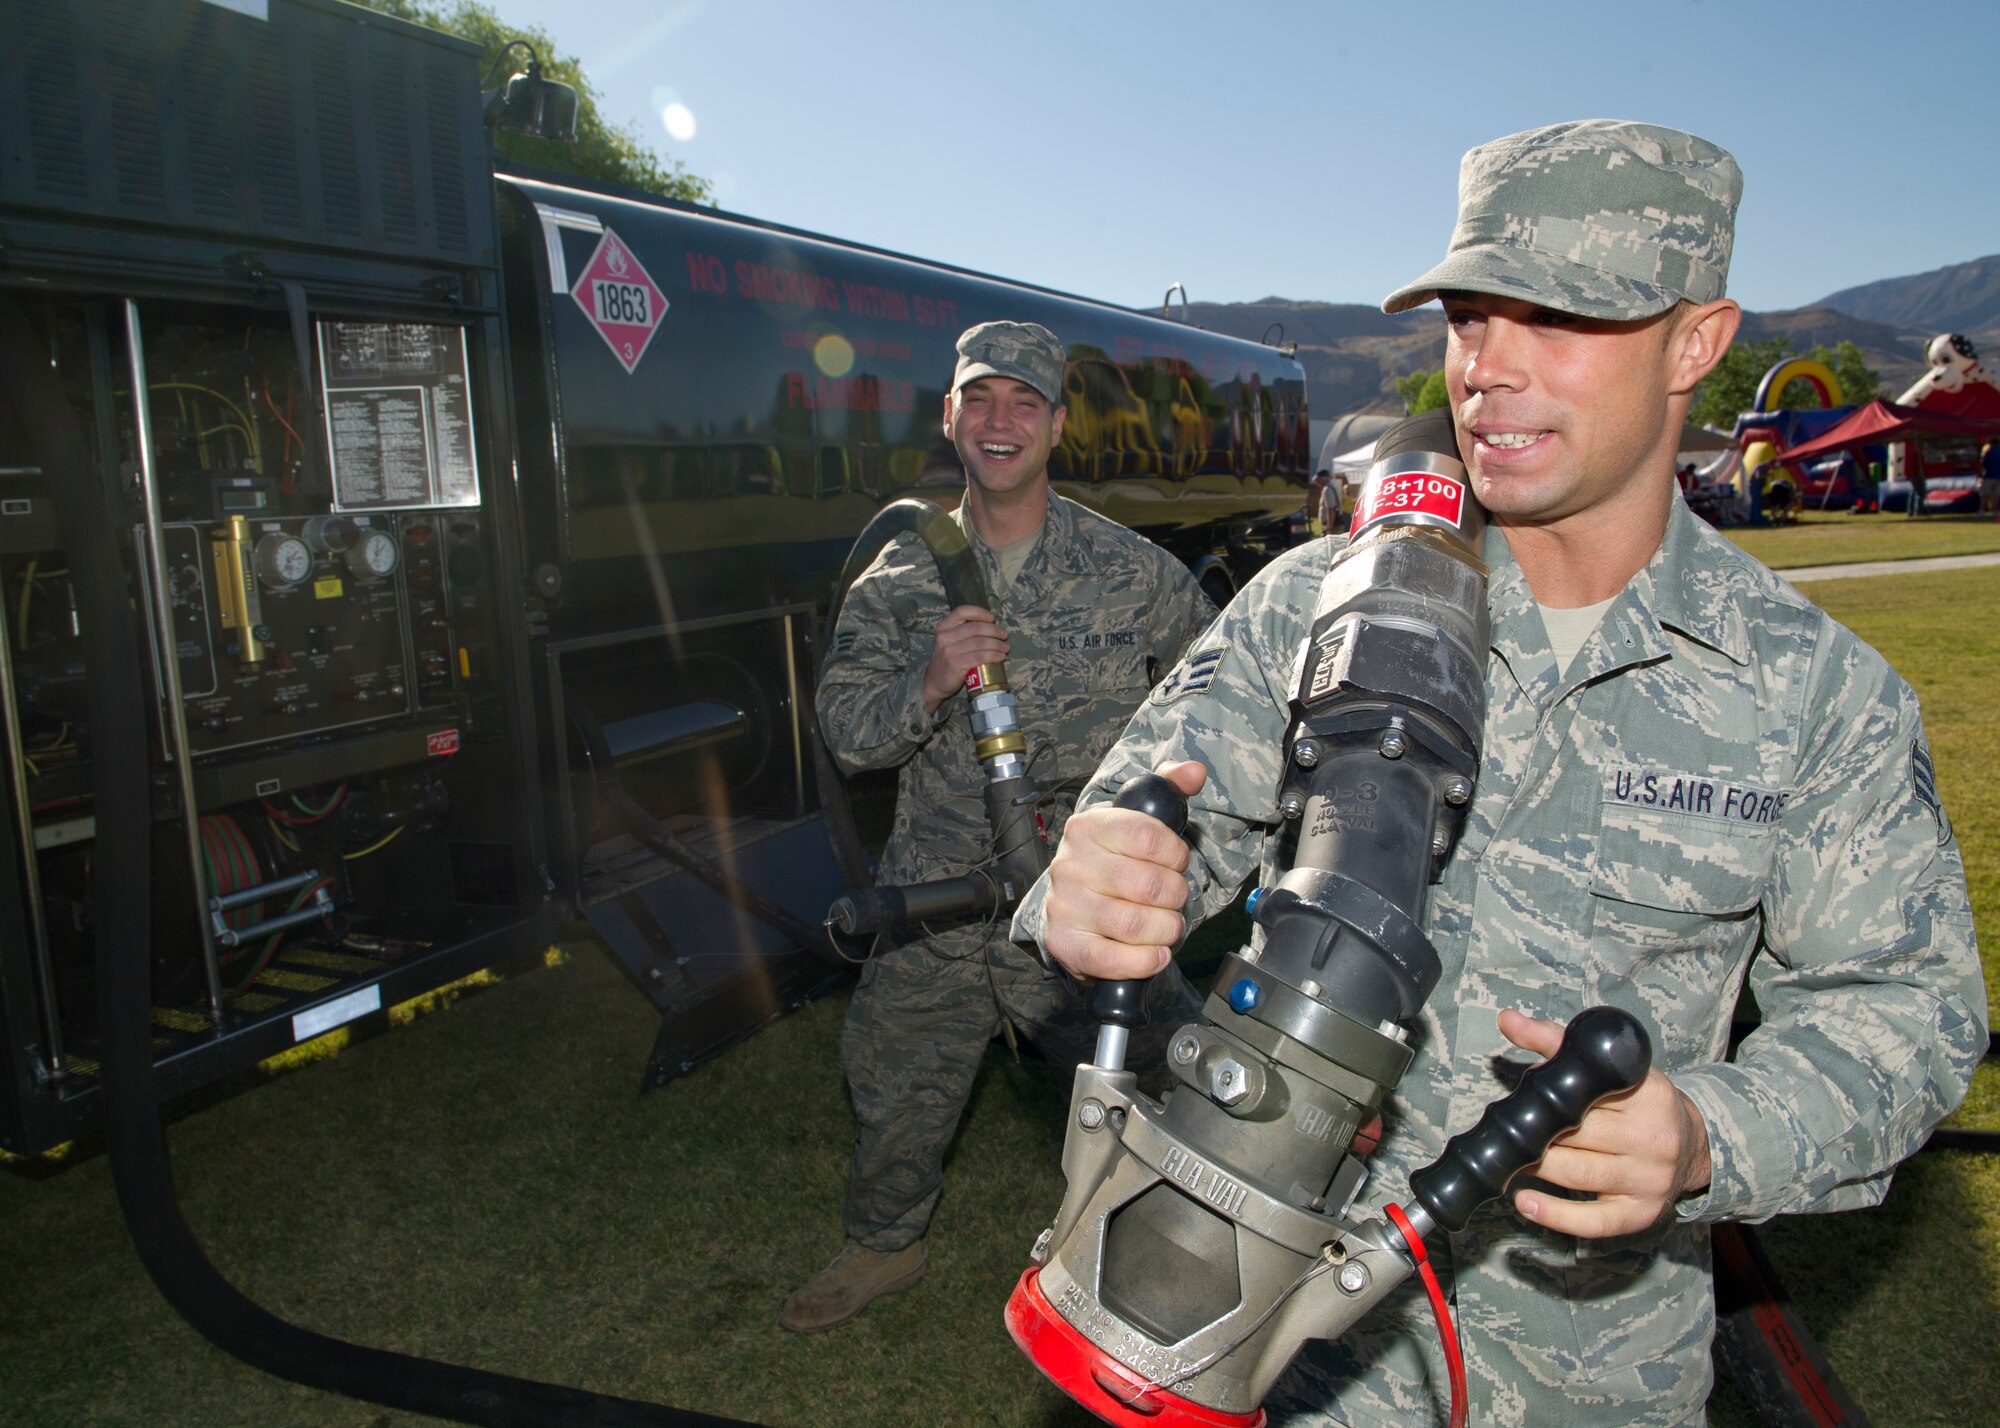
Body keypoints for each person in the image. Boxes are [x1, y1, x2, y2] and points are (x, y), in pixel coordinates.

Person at [1016, 121, 1985, 1427]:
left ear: (1698, 342)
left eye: (1562, 317)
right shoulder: (1319, 610)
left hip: (1599, 1373)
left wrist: (1710, 1136)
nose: (1492, 369)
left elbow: (1908, 1014)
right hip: (1273, 1347)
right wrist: (1096, 898)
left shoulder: (1815, 697)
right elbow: (1119, 860)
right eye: (1472, 317)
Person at [779, 321, 1216, 1334]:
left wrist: (1161, 809)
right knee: (892, 1080)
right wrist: (927, 682)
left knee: (1144, 1086)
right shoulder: (896, 584)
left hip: (1071, 896)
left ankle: (1172, 1262)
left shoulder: (1130, 571)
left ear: (1057, 425)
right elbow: (845, 738)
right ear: (949, 418)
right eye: (980, 400)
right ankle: (883, 1244)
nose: (1000, 421)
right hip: (932, 894)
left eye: (1024, 402)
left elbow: (1211, 692)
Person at [1981, 437, 2000, 518]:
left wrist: (1980, 475)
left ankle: (1981, 511)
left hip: (1989, 476)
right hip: (1999, 477)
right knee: (1996, 496)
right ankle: (1994, 511)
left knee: (1984, 495)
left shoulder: (1989, 452)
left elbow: (1983, 465)